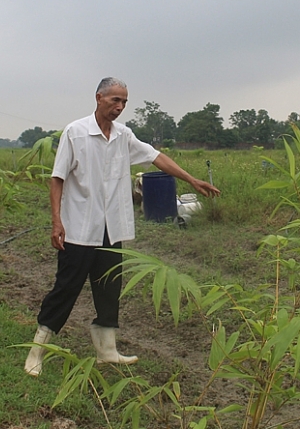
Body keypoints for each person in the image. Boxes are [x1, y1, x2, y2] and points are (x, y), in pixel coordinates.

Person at [25, 77, 220, 376]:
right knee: (66, 288)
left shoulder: (123, 136)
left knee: (108, 288)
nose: (120, 107)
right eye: (115, 100)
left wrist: (191, 180)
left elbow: (156, 157)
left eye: (124, 102)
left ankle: (107, 351)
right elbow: (57, 178)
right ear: (98, 98)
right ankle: (38, 351)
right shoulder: (76, 132)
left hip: (110, 229)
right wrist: (56, 221)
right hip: (78, 228)